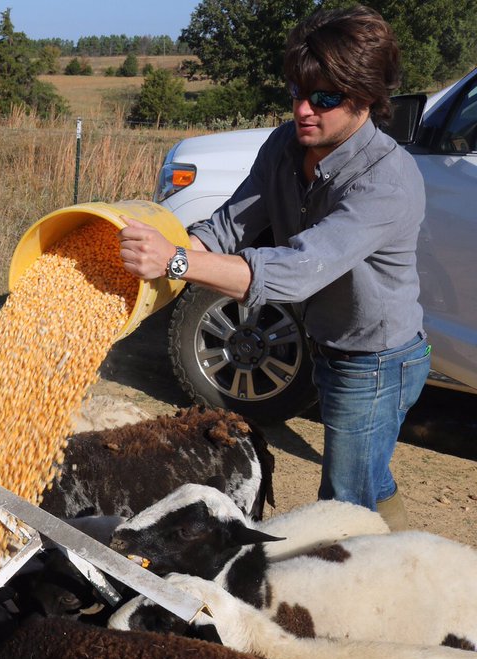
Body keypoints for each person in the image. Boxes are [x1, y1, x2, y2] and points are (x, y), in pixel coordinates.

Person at [118, 5, 429, 530]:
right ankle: (401, 546)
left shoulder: (386, 181)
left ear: (368, 99)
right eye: (297, 93)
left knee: (342, 502)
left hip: (377, 359)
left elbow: (294, 271)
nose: (305, 110)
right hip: (328, 342)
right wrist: (174, 249)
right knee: (369, 475)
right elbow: (228, 227)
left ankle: (351, 594)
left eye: (326, 97)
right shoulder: (287, 144)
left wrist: (175, 261)